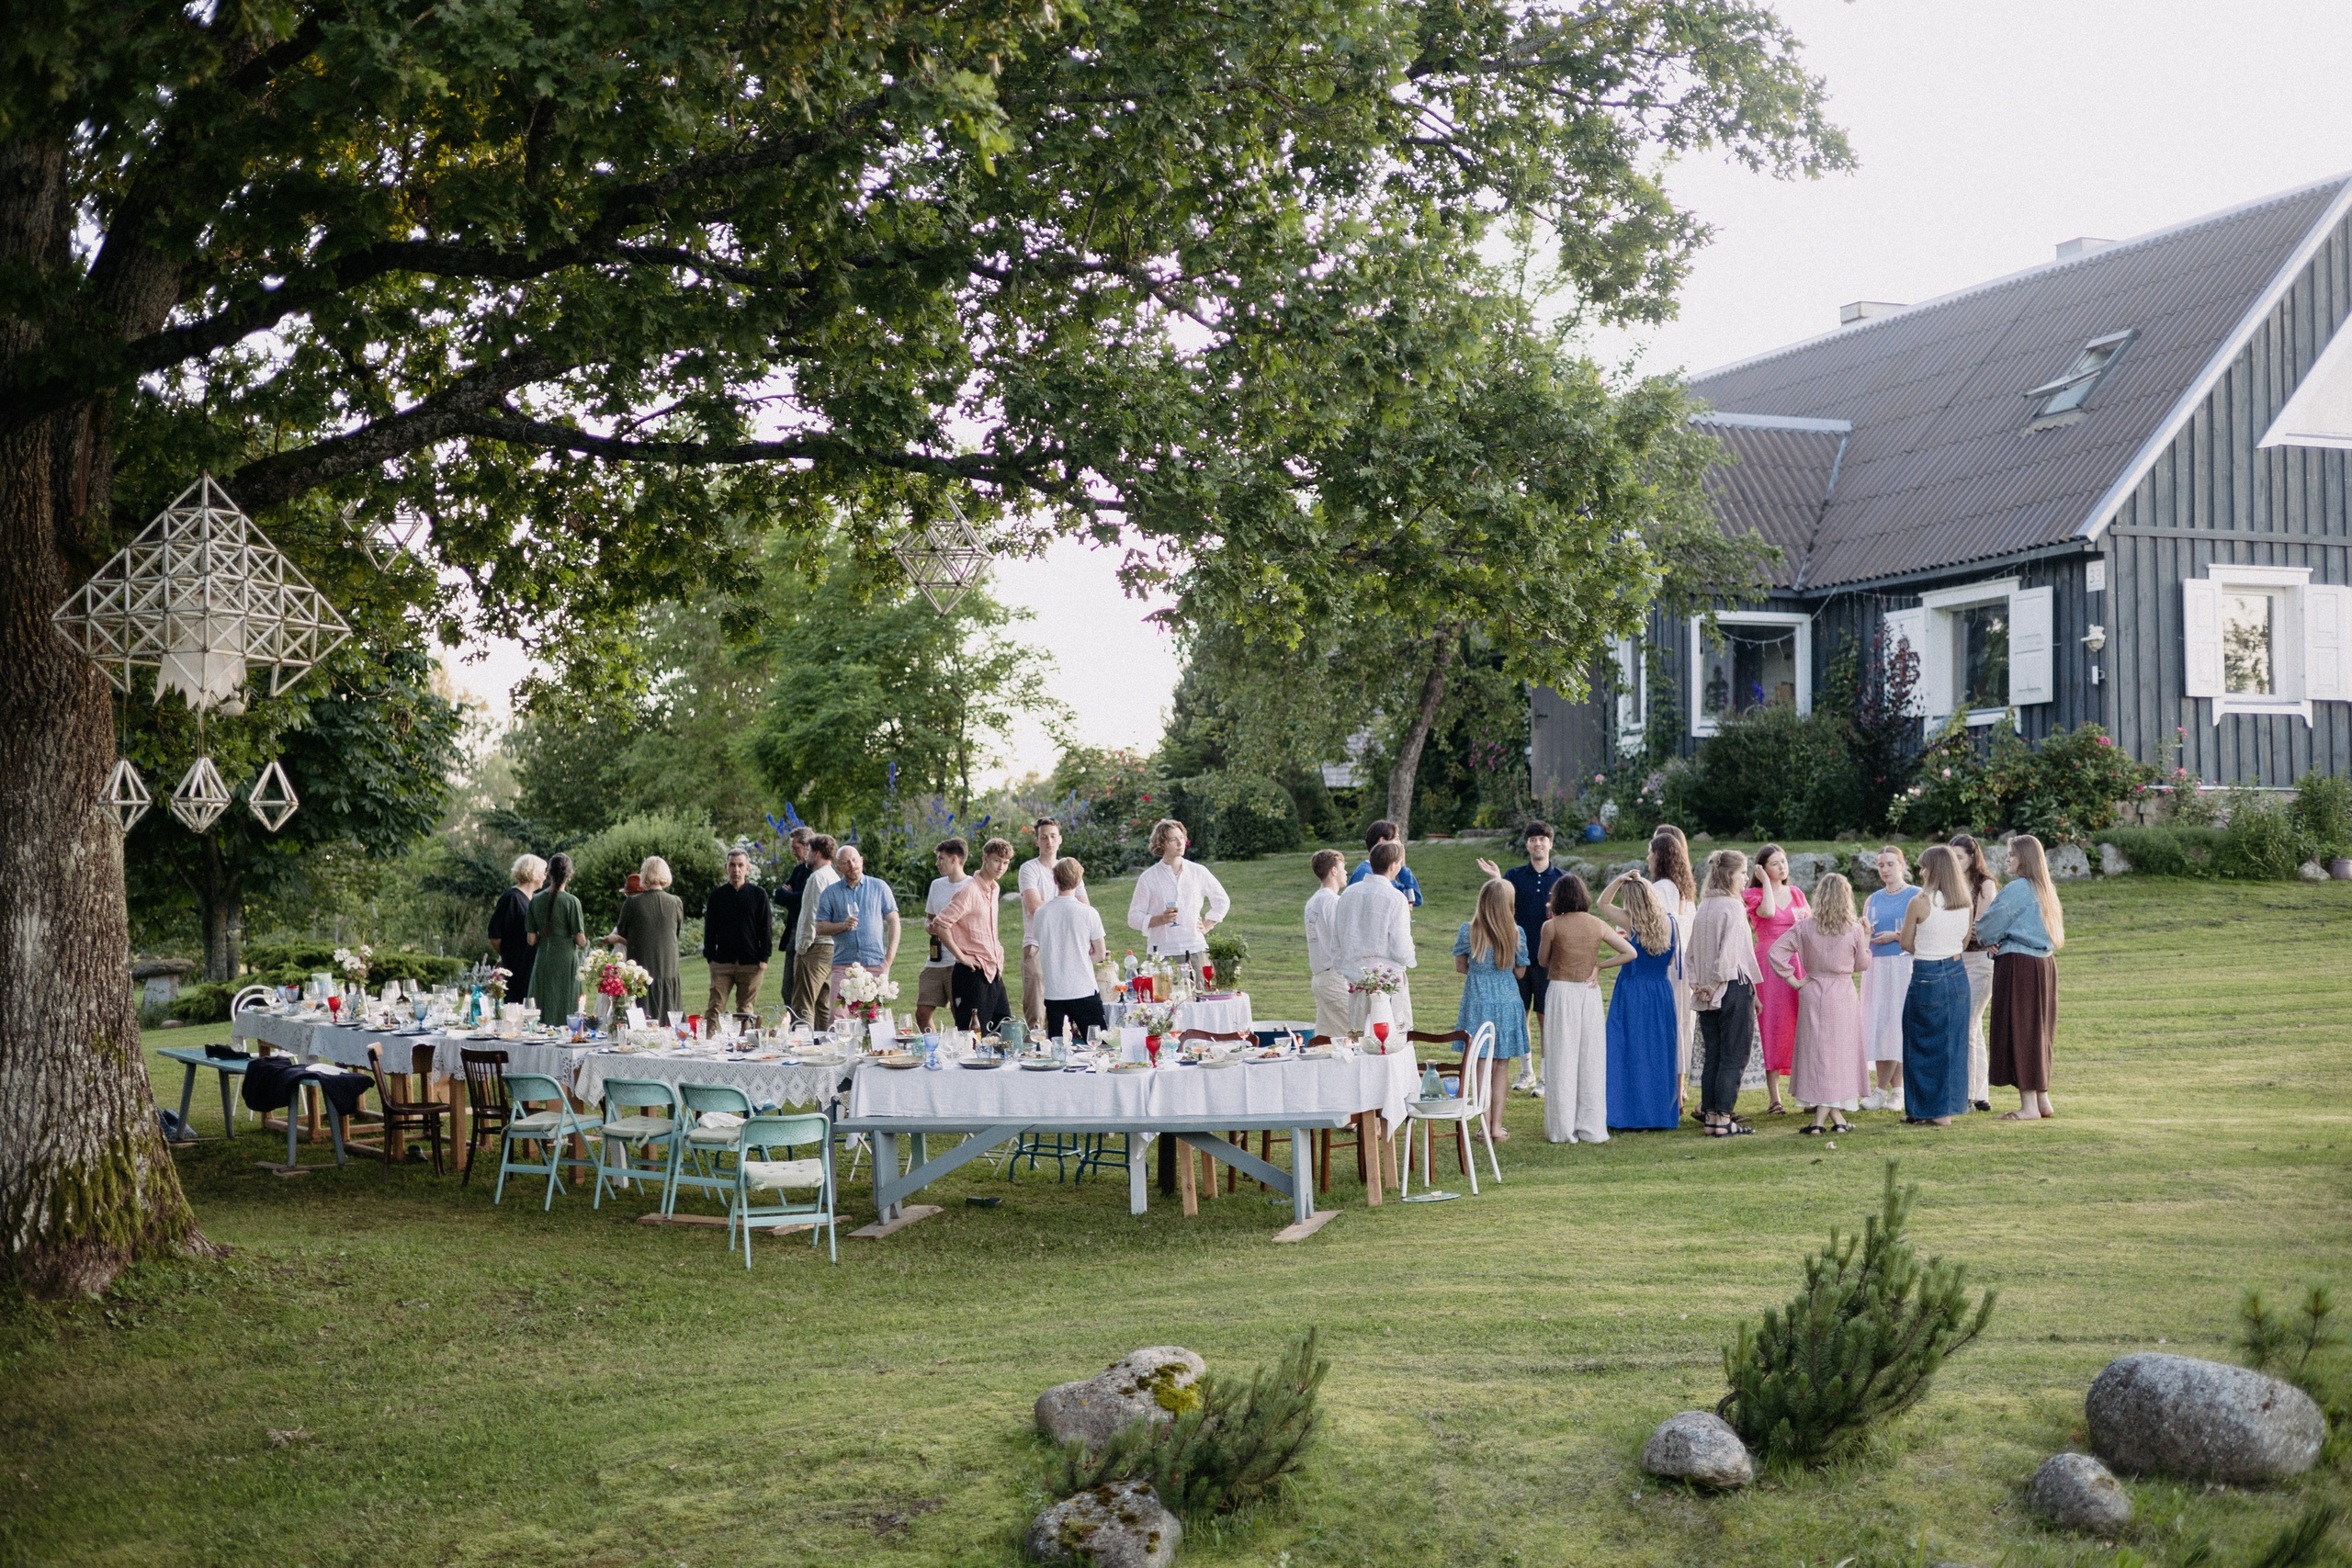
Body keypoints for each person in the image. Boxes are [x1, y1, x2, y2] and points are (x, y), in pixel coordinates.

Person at [1770, 874, 1873, 1135]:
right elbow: (1861, 964)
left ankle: (1825, 1121)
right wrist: (1868, 938)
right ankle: (1830, 1120)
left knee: (1818, 1055)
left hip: (1813, 990)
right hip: (1842, 994)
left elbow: (1775, 952)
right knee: (1838, 1055)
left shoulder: (1805, 926)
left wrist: (1793, 980)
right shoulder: (1854, 929)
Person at [1535, 875, 1633, 1144]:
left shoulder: (1551, 926)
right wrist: (1600, 966)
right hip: (1589, 993)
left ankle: (1562, 1128)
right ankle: (1590, 1127)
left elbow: (1542, 960)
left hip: (1561, 991)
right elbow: (1629, 952)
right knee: (1590, 1059)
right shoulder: (1597, 924)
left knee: (1562, 1059)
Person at [1978, 832, 2064, 1122]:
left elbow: (1989, 925)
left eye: (2011, 855)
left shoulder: (2018, 889)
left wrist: (1987, 938)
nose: (2007, 860)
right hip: (2045, 965)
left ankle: (2028, 1107)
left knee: (2020, 1028)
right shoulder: (2046, 888)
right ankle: (2042, 1100)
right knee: (2039, 1030)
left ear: (2023, 858)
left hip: (2019, 965)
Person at [1478, 820, 1564, 1094]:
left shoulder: (1562, 878)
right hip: (1517, 960)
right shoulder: (1514, 876)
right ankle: (1526, 1072)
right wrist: (1496, 879)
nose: (1538, 843)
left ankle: (1546, 1077)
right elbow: (1499, 904)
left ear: (1550, 843)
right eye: (1533, 839)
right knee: (1520, 1016)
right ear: (1526, 844)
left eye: (1542, 839)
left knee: (1545, 1018)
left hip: (1549, 960)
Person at [1899, 845, 1976, 1128]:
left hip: (1927, 972)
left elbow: (1906, 943)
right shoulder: (1965, 901)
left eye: (1923, 866)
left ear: (1934, 870)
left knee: (1920, 1041)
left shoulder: (1921, 901)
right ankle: (1948, 1106)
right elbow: (1965, 941)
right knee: (1952, 1043)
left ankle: (1926, 1108)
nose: (1920, 872)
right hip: (1956, 972)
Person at [1595, 873, 1679, 1132]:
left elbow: (1602, 903)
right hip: (1660, 992)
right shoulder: (1671, 923)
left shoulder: (1632, 922)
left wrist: (1620, 880)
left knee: (1630, 1051)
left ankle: (1631, 1114)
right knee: (1657, 1053)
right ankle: (1656, 1114)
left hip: (1633, 992)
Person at [1685, 850, 1760, 1137]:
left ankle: (1712, 1118)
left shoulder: (1705, 906)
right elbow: (1729, 955)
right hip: (1730, 988)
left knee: (1713, 1057)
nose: (1746, 878)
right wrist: (1714, 984)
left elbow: (1690, 954)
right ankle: (1724, 1118)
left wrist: (1699, 984)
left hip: (1707, 994)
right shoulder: (1732, 907)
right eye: (1743, 873)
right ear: (1730, 874)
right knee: (1733, 1056)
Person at [1453, 880, 1531, 1139]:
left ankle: (1484, 1125)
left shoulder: (1468, 931)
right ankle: (1497, 1127)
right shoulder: (1516, 932)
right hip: (1508, 1000)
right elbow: (1520, 972)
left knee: (1480, 1063)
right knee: (1501, 1065)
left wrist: (1480, 973)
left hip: (1478, 1001)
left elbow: (1460, 967)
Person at [1743, 843, 1810, 1115]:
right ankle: (1774, 1098)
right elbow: (1768, 913)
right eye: (1775, 863)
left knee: (1800, 1023)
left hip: (1796, 961)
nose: (1782, 867)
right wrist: (1764, 883)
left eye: (1784, 862)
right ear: (1762, 869)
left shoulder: (1796, 893)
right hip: (1768, 964)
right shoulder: (1753, 894)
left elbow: (1810, 924)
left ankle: (1806, 1093)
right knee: (1772, 1024)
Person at [1125, 818, 1230, 986]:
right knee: (1163, 1005)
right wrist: (1160, 919)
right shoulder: (1149, 878)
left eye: (1182, 837)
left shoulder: (1198, 872)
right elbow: (1133, 917)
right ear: (1162, 844)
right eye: (1174, 839)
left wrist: (1208, 924)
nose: (1180, 843)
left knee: (1199, 999)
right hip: (1161, 953)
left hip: (1195, 949)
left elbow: (1222, 900)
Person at [1333, 838, 1417, 1030]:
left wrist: (1348, 970)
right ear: (1394, 865)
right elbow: (1400, 947)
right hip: (1388, 981)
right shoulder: (1396, 898)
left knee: (1361, 1038)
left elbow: (1336, 941)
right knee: (1392, 1040)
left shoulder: (1347, 894)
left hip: (1358, 979)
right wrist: (1410, 956)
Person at [933, 837, 1013, 1032]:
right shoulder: (969, 891)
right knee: (973, 1036)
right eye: (996, 861)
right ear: (985, 858)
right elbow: (940, 924)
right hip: (972, 973)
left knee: (1005, 1030)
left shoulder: (995, 889)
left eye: (1006, 863)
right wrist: (961, 956)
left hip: (994, 971)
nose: (1001, 867)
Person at [1860, 847, 1919, 1112]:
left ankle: (1890, 1090)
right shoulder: (1873, 898)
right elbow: (1863, 932)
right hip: (1875, 967)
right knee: (1879, 1026)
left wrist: (1895, 937)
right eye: (1881, 864)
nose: (1885, 869)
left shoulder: (1916, 895)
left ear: (1902, 865)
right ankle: (1892, 1090)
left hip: (1902, 965)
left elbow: (1923, 937)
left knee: (1897, 1025)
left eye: (1890, 864)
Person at [1949, 832, 2002, 1112]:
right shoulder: (1950, 885)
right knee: (1974, 1027)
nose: (1955, 863)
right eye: (1952, 858)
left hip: (1981, 961)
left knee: (1967, 1023)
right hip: (1958, 959)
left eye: (1959, 857)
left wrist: (1954, 931)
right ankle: (1981, 1093)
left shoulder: (1985, 884)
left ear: (1972, 857)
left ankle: (1967, 1094)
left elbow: (1980, 928)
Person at [1649, 828, 1700, 1109]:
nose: (1648, 857)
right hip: (1683, 965)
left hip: (1666, 964)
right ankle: (1678, 1091)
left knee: (1668, 1025)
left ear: (1660, 856)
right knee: (1681, 1024)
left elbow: (1657, 927)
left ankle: (1669, 1092)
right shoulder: (1685, 890)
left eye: (1651, 851)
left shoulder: (1659, 889)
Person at [1033, 856, 1110, 1042]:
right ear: (1079, 881)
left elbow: (1042, 942)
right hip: (1083, 988)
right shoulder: (1089, 913)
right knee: (1099, 1045)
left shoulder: (1041, 913)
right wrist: (1081, 957)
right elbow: (1100, 954)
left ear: (1055, 880)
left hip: (1055, 992)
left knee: (1057, 1049)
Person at [1018, 818, 1085, 1029]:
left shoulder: (1070, 868)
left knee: (1065, 1016)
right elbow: (1035, 908)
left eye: (1053, 836)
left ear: (1060, 839)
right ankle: (1034, 1055)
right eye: (1044, 837)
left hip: (1067, 948)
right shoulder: (1029, 869)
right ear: (1037, 841)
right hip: (1037, 944)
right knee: (1037, 1013)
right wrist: (1066, 905)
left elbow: (1084, 908)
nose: (1049, 841)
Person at [814, 845, 900, 1005]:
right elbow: (820, 928)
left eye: (854, 860)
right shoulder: (830, 893)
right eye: (846, 862)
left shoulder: (879, 887)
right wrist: (842, 926)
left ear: (861, 860)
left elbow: (894, 921)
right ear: (838, 868)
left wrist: (889, 959)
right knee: (838, 1017)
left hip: (875, 962)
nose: (852, 865)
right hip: (844, 965)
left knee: (875, 1018)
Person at [605, 855, 684, 1021]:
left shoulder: (632, 903)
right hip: (667, 965)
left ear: (644, 874)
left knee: (642, 1009)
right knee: (670, 1009)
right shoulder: (675, 902)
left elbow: (622, 932)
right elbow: (675, 933)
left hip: (642, 966)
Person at [702, 846, 774, 1026]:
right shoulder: (716, 896)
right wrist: (710, 956)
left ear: (747, 868)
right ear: (726, 867)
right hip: (721, 962)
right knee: (715, 1008)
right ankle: (707, 1045)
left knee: (745, 1010)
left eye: (741, 865)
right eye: (732, 865)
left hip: (751, 962)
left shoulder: (758, 895)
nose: (736, 870)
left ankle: (745, 1048)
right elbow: (710, 928)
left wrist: (764, 957)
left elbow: (766, 928)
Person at [523, 851, 586, 1021]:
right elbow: (581, 941)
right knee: (567, 1003)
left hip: (544, 958)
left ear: (548, 873)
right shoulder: (572, 901)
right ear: (569, 875)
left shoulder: (535, 900)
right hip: (566, 960)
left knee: (542, 1003)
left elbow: (531, 940)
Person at [916, 838, 970, 1031]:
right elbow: (929, 918)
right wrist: (929, 925)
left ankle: (962, 1053)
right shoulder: (936, 885)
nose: (937, 863)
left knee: (961, 1016)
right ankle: (934, 1050)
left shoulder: (972, 886)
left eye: (941, 859)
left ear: (954, 859)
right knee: (921, 1014)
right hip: (936, 958)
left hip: (959, 960)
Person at [791, 835, 839, 1029]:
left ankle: (803, 1047)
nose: (807, 856)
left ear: (817, 853)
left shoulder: (816, 878)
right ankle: (829, 1045)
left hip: (815, 946)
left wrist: (802, 947)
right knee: (823, 1003)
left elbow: (811, 915)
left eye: (809, 852)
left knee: (803, 1003)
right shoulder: (835, 877)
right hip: (832, 948)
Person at [1302, 850, 1351, 1038]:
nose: (1346, 872)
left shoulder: (1313, 901)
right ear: (1333, 871)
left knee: (1325, 1038)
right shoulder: (1331, 901)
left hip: (1321, 978)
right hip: (1334, 978)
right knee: (1355, 1033)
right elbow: (1341, 937)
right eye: (1343, 868)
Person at [487, 854, 543, 994]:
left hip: (531, 967)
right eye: (543, 872)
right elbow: (494, 935)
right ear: (534, 873)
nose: (545, 876)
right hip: (516, 969)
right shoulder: (511, 898)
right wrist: (509, 954)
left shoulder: (533, 899)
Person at [774, 826, 815, 994]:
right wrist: (796, 896)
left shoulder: (816, 872)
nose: (793, 852)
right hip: (793, 931)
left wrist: (794, 895)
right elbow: (779, 895)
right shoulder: (798, 870)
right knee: (788, 989)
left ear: (808, 847)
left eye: (796, 848)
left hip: (808, 933)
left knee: (802, 989)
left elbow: (808, 899)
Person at [1348, 819, 1424, 907]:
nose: (1400, 844)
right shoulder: (1364, 873)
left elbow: (1416, 898)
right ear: (1383, 841)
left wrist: (1402, 867)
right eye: (1396, 839)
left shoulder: (1387, 873)